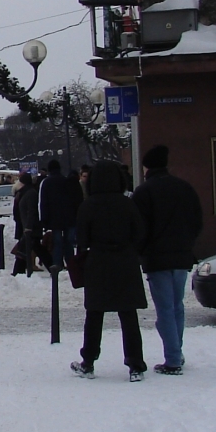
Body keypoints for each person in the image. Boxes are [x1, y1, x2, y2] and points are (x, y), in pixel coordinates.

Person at [71, 159, 148, 381]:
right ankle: (135, 365)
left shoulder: (88, 205)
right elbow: (139, 233)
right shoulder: (127, 203)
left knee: (94, 314)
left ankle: (88, 361)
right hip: (125, 261)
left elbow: (81, 239)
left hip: (98, 262)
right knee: (128, 314)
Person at [133, 145, 204, 375]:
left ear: (147, 167)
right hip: (181, 255)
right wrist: (187, 243)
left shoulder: (144, 192)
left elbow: (139, 228)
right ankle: (177, 352)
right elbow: (197, 221)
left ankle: (172, 358)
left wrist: (141, 251)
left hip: (157, 258)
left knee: (164, 309)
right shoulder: (184, 188)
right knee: (177, 306)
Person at [38, 158, 82, 272]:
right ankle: (71, 263)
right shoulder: (67, 181)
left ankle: (57, 264)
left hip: (55, 219)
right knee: (69, 242)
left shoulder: (47, 182)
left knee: (57, 242)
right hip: (69, 217)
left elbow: (44, 202)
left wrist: (44, 220)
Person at [18, 169, 43, 274]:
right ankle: (22, 268)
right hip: (28, 225)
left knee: (28, 247)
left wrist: (28, 226)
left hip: (30, 226)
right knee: (34, 247)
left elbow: (31, 210)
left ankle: (20, 269)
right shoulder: (26, 192)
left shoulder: (30, 193)